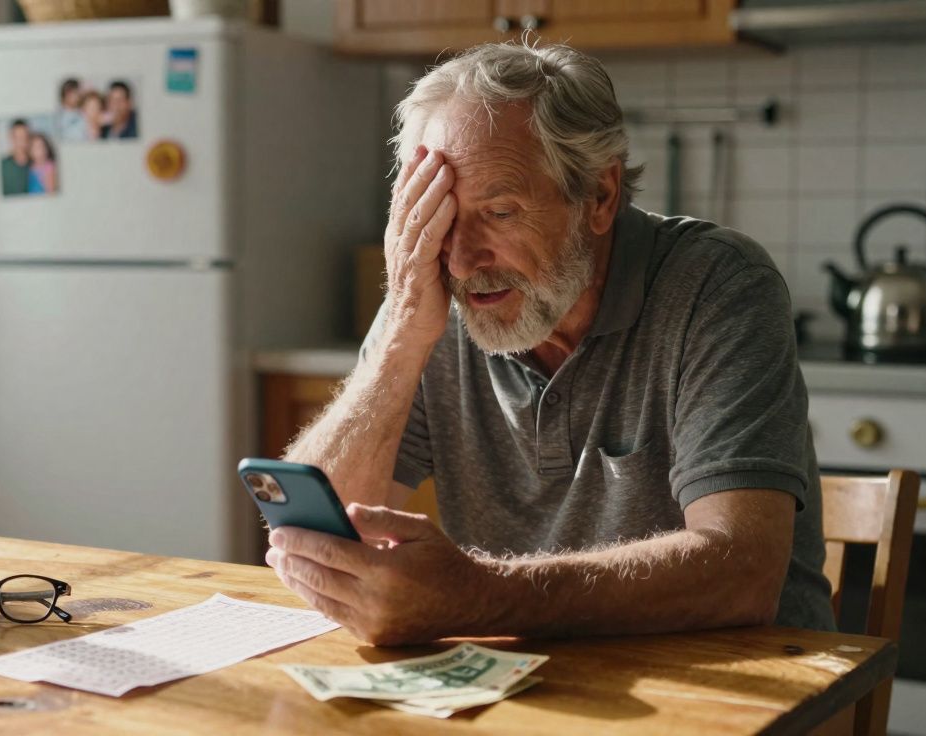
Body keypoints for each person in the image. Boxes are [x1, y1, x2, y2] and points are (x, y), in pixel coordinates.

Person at [266, 42, 835, 646]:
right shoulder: (428, 297)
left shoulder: (718, 284)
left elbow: (741, 571)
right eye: (439, 217)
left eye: (500, 211)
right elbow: (310, 538)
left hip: (749, 687)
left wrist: (479, 597)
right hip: (537, 683)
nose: (462, 259)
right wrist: (402, 335)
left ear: (600, 195)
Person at [0, 119, 31, 196]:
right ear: (11, 137)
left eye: (25, 137)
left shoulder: (36, 164)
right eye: (18, 137)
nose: (22, 142)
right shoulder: (3, 165)